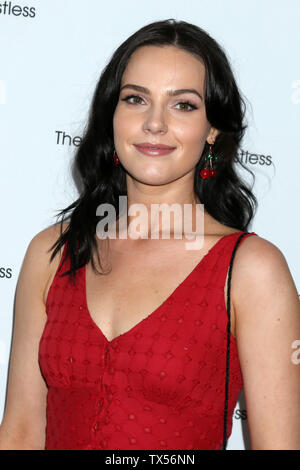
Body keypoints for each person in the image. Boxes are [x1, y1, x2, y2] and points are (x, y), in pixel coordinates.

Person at [0, 19, 299, 451]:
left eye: (183, 105)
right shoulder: (54, 252)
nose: (154, 123)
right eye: (136, 99)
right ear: (112, 117)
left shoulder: (251, 269)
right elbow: (20, 434)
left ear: (213, 130)